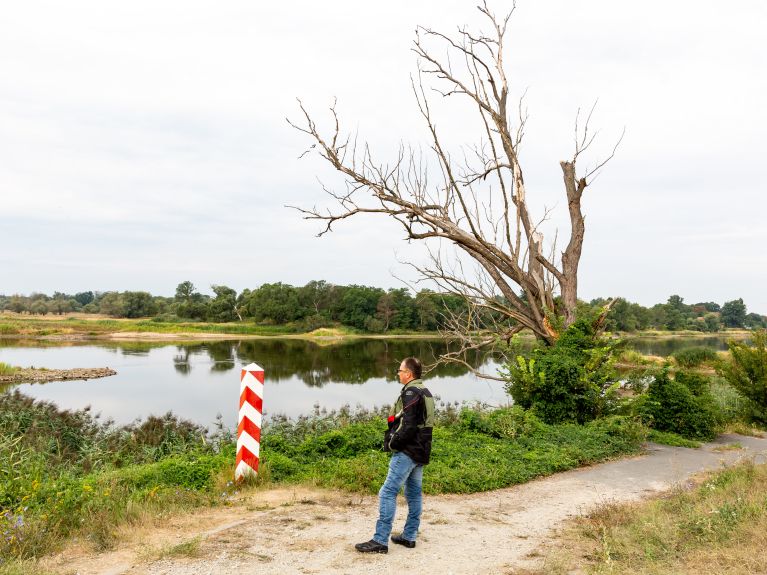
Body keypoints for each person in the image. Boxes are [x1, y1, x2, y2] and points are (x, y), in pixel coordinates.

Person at [355, 356, 435, 554]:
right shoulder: (426, 391)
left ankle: (380, 540)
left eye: (400, 371)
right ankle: (409, 536)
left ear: (408, 374)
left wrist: (392, 443)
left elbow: (408, 427)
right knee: (414, 493)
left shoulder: (410, 392)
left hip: (408, 451)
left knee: (387, 492)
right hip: (422, 450)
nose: (398, 374)